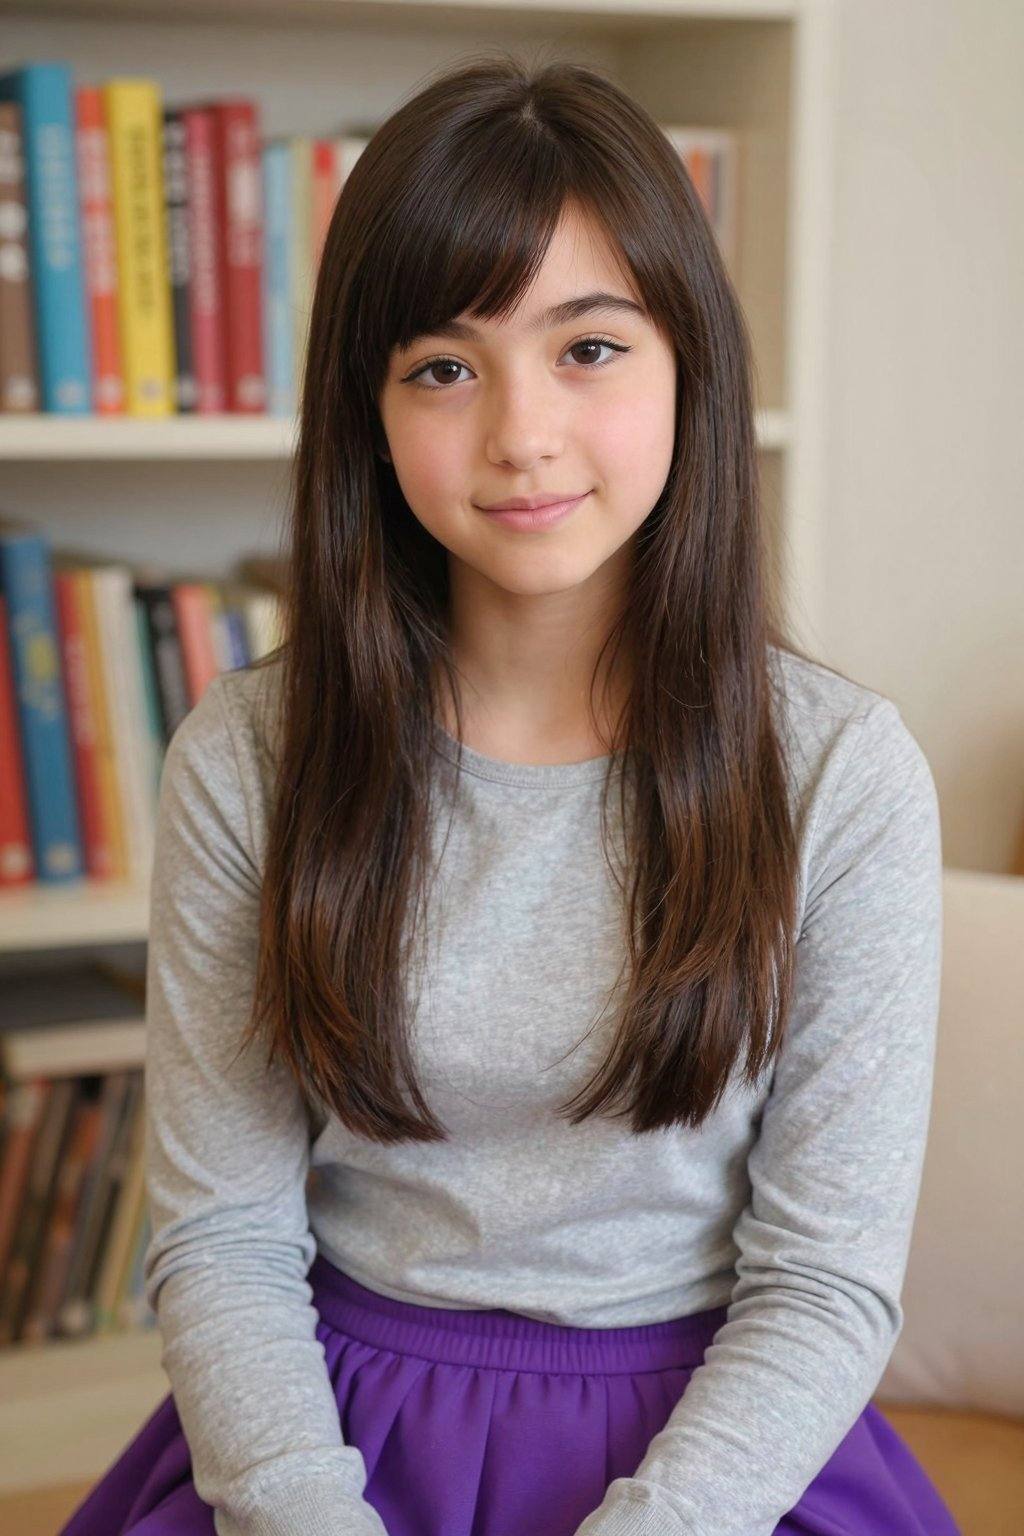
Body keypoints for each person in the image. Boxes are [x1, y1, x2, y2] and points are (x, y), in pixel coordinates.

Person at [61, 51, 960, 1536]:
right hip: (323, 1446)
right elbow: (221, 1237)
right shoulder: (251, 752)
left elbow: (824, 1283)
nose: (520, 434)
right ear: (371, 409)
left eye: (589, 348)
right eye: (443, 367)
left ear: (691, 364)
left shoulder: (840, 772)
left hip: (713, 1460)